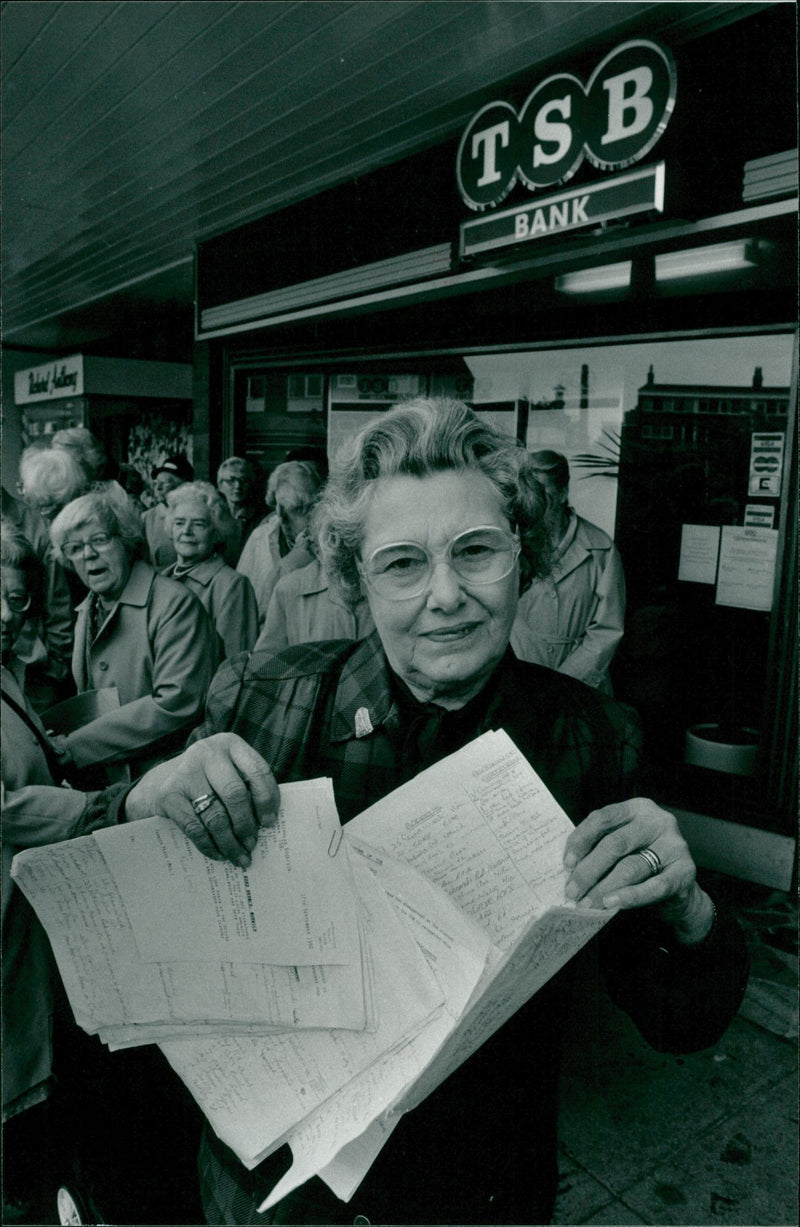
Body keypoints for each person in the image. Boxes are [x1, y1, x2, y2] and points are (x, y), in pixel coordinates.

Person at [119, 398, 747, 1225]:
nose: (445, 596)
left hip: (477, 1187)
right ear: (355, 579)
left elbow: (678, 1023)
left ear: (523, 555)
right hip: (272, 1192)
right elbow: (133, 938)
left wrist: (687, 907)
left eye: (476, 551)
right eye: (403, 563)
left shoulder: (595, 741)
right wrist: (146, 800)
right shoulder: (263, 701)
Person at [47, 482, 218, 781]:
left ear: (125, 540)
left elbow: (177, 704)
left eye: (99, 540)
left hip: (167, 779)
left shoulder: (174, 603)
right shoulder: (89, 608)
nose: (87, 554)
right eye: (74, 548)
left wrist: (73, 748)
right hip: (110, 780)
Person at [511, 448, 626, 691]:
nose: (537, 503)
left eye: (545, 494)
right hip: (518, 678)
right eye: (531, 494)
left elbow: (607, 630)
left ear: (563, 493)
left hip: (581, 686)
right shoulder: (512, 543)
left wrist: (564, 683)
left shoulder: (601, 549)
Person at [254, 505, 374, 653]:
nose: (344, 557)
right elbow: (266, 662)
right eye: (332, 544)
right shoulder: (289, 589)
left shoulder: (379, 580)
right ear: (314, 548)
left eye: (349, 543)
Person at [163, 481, 259, 659]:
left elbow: (236, 664)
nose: (186, 531)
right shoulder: (162, 579)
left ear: (216, 533)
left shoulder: (232, 586)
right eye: (179, 523)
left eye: (198, 524)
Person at [236, 460, 322, 624]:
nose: (308, 516)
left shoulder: (327, 539)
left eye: (310, 507)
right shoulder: (260, 537)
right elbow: (242, 599)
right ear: (278, 510)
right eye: (297, 509)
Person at [143, 453, 193, 568]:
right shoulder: (147, 518)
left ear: (183, 485)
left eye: (165, 483)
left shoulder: (196, 516)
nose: (158, 488)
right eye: (156, 483)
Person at [216, 456, 263, 563]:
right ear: (220, 485)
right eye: (231, 481)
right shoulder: (214, 516)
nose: (237, 486)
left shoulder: (261, 519)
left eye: (243, 480)